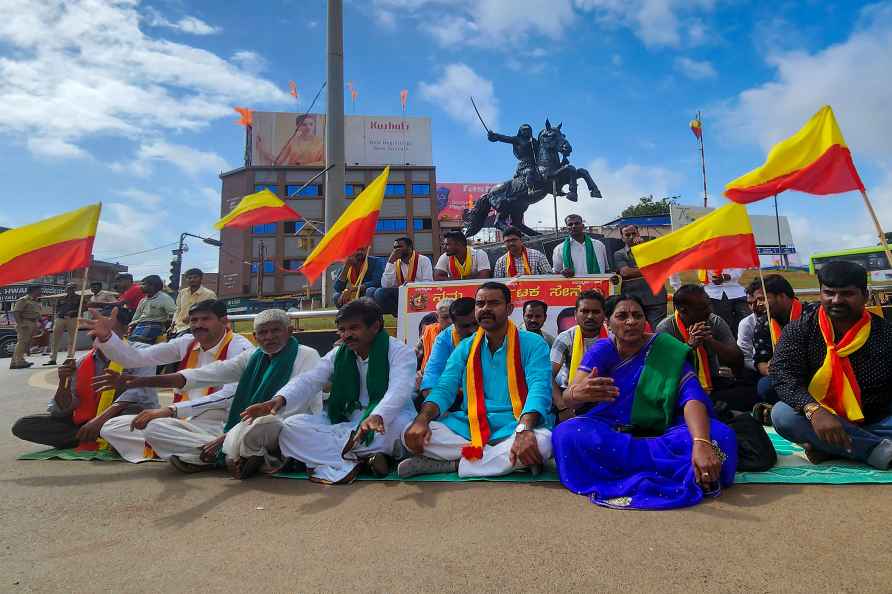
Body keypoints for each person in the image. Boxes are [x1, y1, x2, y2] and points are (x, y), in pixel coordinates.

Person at [552, 294, 737, 509]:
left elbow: (692, 397)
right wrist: (577, 394)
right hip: (613, 428)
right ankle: (673, 470)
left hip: (664, 428)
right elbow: (570, 397)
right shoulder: (602, 350)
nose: (630, 321)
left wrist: (701, 442)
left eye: (636, 315)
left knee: (720, 437)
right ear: (608, 322)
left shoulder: (667, 350)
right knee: (566, 434)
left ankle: (625, 469)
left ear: (645, 320)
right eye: (622, 316)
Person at [92, 309, 322, 475]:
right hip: (208, 425)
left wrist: (173, 411)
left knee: (266, 424)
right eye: (263, 333)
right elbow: (201, 375)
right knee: (141, 426)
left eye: (275, 331)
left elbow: (292, 402)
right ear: (256, 335)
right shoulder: (250, 356)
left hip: (267, 422)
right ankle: (218, 454)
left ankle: (209, 453)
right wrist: (136, 379)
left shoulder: (303, 354)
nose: (269, 337)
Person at [236, 299, 417, 483]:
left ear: (375, 326)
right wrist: (280, 399)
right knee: (291, 426)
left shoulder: (400, 352)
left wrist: (379, 415)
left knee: (394, 431)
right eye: (343, 330)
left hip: (385, 420)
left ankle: (325, 458)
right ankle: (362, 459)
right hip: (344, 419)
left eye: (354, 328)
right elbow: (310, 379)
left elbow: (399, 390)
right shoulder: (339, 354)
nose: (347, 335)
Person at [400, 282, 554, 478]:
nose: (486, 309)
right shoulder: (466, 347)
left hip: (515, 424)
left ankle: (455, 464)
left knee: (544, 442)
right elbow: (444, 387)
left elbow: (539, 388)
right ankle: (508, 458)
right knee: (410, 431)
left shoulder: (533, 343)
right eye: (480, 304)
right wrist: (421, 419)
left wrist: (523, 430)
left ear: (509, 309)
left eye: (493, 303)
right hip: (471, 425)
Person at [82, 300, 252, 464]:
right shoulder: (185, 343)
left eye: (205, 319)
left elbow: (229, 396)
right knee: (111, 426)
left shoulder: (240, 347)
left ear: (224, 321)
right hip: (180, 422)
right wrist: (107, 338)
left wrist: (171, 411)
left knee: (155, 428)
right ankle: (197, 451)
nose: (198, 324)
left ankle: (208, 449)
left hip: (216, 423)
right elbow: (136, 358)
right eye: (194, 320)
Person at [771, 261, 892, 469]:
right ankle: (878, 450)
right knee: (782, 415)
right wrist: (814, 410)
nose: (836, 300)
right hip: (818, 417)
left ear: (865, 295)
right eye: (829, 293)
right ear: (820, 293)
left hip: (877, 418)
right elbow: (782, 374)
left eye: (847, 294)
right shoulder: (800, 330)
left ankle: (834, 446)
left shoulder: (885, 332)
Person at [11, 308, 158, 450]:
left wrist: (99, 421)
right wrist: (63, 383)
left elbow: (138, 393)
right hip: (89, 420)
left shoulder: (142, 352)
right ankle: (98, 437)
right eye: (96, 327)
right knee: (24, 425)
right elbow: (61, 410)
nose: (100, 332)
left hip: (126, 414)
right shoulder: (82, 362)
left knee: (129, 420)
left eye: (108, 327)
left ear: (125, 329)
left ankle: (99, 435)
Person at [656, 284, 753, 411]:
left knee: (752, 388)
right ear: (682, 310)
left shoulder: (715, 321)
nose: (709, 311)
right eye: (702, 308)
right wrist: (690, 345)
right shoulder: (665, 329)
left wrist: (711, 341)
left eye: (709, 305)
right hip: (682, 386)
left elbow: (738, 360)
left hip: (715, 382)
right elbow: (665, 370)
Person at [750, 274, 809, 417]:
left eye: (763, 299)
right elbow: (761, 360)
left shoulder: (812, 314)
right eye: (757, 299)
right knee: (765, 386)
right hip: (784, 375)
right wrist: (770, 369)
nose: (758, 304)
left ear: (782, 296)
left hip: (814, 371)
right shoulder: (763, 323)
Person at [418, 297, 478, 399]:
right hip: (454, 392)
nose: (472, 330)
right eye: (465, 326)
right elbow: (432, 374)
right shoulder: (443, 338)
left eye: (475, 324)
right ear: (454, 324)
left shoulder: (492, 333)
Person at [551, 290, 608, 391]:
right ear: (575, 314)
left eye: (596, 312)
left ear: (604, 315)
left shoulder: (613, 337)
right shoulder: (565, 338)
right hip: (570, 393)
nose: (590, 316)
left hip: (607, 391)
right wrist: (562, 405)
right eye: (585, 311)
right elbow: (548, 376)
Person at [613, 224, 667, 328]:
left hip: (655, 299)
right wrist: (651, 269)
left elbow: (660, 266)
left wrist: (642, 249)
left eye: (634, 233)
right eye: (627, 235)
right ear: (622, 238)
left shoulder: (651, 249)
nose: (631, 237)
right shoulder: (619, 254)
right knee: (636, 330)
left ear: (638, 234)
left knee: (659, 330)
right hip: (633, 300)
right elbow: (625, 272)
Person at [374, 237, 433, 315]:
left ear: (410, 248)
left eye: (400, 247)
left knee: (379, 293)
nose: (396, 250)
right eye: (395, 248)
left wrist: (413, 284)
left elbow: (429, 283)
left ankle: (402, 315)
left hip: (417, 293)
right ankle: (377, 319)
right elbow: (386, 285)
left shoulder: (423, 260)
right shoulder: (394, 262)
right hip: (400, 293)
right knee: (371, 291)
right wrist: (390, 262)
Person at [684, 268, 749, 338]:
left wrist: (728, 276)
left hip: (735, 291)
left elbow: (740, 267)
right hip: (712, 292)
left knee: (746, 320)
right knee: (720, 324)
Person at [129, 275, 176, 344]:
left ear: (152, 286)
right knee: (130, 342)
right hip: (140, 325)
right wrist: (131, 326)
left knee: (137, 342)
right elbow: (136, 316)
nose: (141, 286)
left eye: (144, 284)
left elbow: (174, 313)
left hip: (156, 325)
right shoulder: (143, 300)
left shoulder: (164, 298)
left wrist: (169, 327)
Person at [172, 269, 217, 336]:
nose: (192, 280)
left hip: (196, 328)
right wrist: (173, 323)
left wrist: (192, 318)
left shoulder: (209, 294)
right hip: (178, 328)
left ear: (201, 279)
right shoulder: (182, 293)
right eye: (189, 278)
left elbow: (213, 313)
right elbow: (178, 309)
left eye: (195, 277)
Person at [45, 283, 81, 366]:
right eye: (68, 288)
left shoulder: (79, 298)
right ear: (66, 289)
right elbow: (57, 308)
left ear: (75, 289)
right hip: (60, 318)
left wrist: (75, 312)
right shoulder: (62, 298)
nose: (70, 290)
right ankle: (53, 359)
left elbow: (84, 307)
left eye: (72, 288)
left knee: (72, 339)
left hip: (72, 318)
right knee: (55, 339)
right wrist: (58, 314)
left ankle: (70, 358)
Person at [737, 280, 765, 376]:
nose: (753, 307)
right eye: (749, 303)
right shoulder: (746, 324)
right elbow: (745, 357)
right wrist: (761, 368)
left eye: (759, 301)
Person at [10, 285, 42, 369]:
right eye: (39, 289)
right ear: (33, 290)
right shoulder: (24, 300)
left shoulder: (35, 301)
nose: (40, 291)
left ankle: (15, 362)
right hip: (25, 322)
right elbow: (16, 312)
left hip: (32, 323)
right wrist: (20, 324)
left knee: (25, 343)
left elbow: (37, 313)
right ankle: (19, 361)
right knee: (22, 342)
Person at [417, 299, 453, 367]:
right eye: (445, 317)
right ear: (437, 318)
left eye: (452, 316)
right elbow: (416, 355)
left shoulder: (463, 332)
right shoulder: (429, 331)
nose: (450, 321)